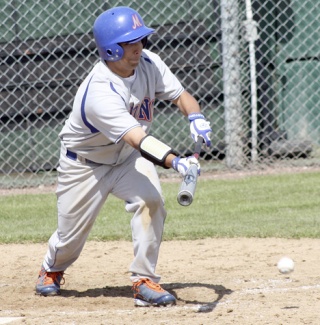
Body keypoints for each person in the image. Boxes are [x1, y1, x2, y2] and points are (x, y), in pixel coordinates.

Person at [35, 6, 212, 307]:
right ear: (111, 49)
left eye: (140, 39)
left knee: (151, 201)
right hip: (86, 166)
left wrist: (195, 116)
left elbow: (180, 95)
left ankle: (144, 280)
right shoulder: (99, 92)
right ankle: (51, 268)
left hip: (128, 159)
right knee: (70, 238)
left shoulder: (149, 63)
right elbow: (138, 137)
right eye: (130, 42)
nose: (139, 47)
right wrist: (176, 162)